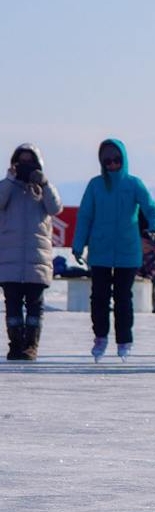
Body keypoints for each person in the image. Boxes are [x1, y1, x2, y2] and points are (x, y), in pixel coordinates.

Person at [71, 138, 155, 360]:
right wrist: (78, 244)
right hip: (100, 250)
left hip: (128, 251)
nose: (112, 165)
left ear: (124, 160)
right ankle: (100, 337)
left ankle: (124, 340)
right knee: (99, 297)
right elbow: (85, 216)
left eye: (116, 160)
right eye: (107, 162)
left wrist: (154, 230)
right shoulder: (95, 185)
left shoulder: (133, 184)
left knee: (123, 297)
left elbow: (153, 210)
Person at [0, 144, 63, 361]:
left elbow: (55, 208)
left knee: (35, 308)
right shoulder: (6, 187)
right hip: (10, 260)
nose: (25, 166)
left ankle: (30, 346)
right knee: (13, 308)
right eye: (21, 162)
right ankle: (15, 344)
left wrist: (43, 183)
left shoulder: (43, 190)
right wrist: (11, 179)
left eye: (30, 162)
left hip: (37, 259)